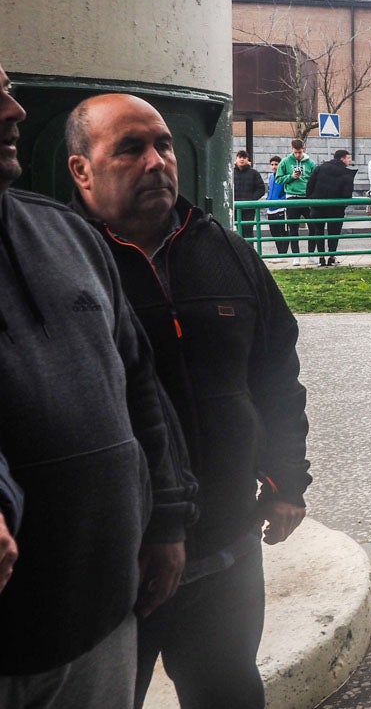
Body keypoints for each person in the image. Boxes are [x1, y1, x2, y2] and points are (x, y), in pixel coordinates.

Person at [66, 93, 313, 709]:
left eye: (164, 145)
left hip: (228, 550)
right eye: (130, 148)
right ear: (81, 170)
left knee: (228, 692)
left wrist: (287, 480)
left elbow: (276, 371)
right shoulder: (64, 263)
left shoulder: (226, 252)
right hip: (120, 570)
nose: (156, 161)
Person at [0, 68, 195, 707]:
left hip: (102, 617)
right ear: (83, 170)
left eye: (9, 89)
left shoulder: (65, 236)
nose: (14, 110)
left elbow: (139, 387)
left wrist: (165, 521)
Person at [304, 148, 356, 266]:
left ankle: (321, 258)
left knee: (318, 231)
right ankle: (331, 257)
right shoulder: (346, 172)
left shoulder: (320, 168)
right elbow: (347, 194)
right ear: (342, 158)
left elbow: (309, 186)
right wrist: (343, 204)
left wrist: (312, 200)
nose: (349, 160)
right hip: (336, 208)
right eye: (348, 158)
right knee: (334, 232)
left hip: (318, 206)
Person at [274, 139, 315, 262]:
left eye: (300, 152)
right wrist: (291, 177)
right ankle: (296, 256)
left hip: (307, 197)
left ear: (304, 149)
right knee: (293, 228)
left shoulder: (311, 163)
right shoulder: (285, 162)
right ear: (292, 149)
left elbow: (314, 179)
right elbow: (278, 179)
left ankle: (311, 255)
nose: (298, 154)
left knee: (313, 227)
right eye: (296, 152)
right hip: (292, 197)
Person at [231, 150, 265, 239]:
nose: (242, 159)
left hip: (248, 209)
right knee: (236, 233)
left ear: (247, 159)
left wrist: (251, 200)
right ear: (236, 159)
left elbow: (261, 189)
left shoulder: (254, 173)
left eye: (244, 157)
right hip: (234, 207)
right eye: (240, 157)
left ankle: (248, 251)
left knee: (248, 232)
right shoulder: (231, 173)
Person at [265, 155, 290, 255]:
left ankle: (283, 254)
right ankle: (280, 253)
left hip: (281, 208)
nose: (274, 166)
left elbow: (287, 191)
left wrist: (281, 200)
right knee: (274, 232)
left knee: (282, 232)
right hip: (271, 208)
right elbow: (270, 190)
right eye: (272, 164)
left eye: (276, 164)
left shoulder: (284, 176)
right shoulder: (271, 177)